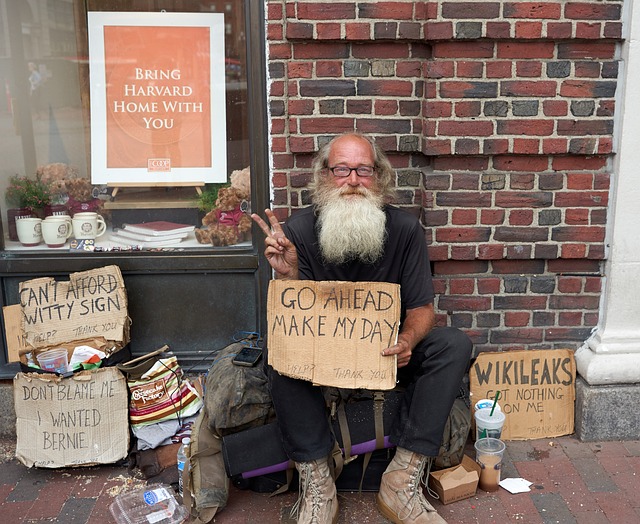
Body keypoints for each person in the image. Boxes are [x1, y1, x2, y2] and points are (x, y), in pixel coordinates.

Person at [252, 133, 472, 524]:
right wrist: (288, 276)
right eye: (342, 169)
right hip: (321, 364)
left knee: (452, 344)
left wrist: (407, 339)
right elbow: (292, 320)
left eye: (363, 170)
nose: (352, 180)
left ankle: (401, 480)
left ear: (379, 176)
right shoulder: (299, 232)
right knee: (278, 347)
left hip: (386, 355)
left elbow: (422, 308)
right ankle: (318, 485)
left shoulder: (404, 230)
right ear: (324, 175)